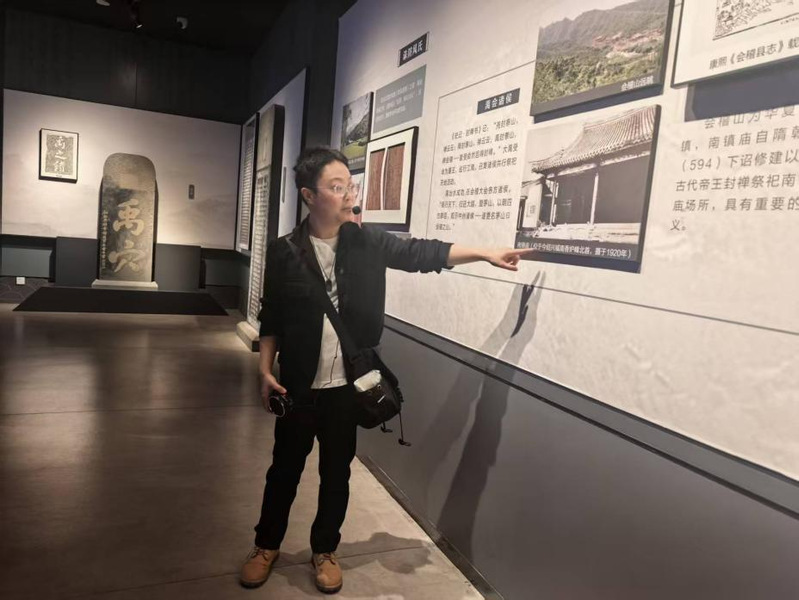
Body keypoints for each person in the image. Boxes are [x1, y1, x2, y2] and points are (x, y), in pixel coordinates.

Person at [240, 147, 531, 593]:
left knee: (336, 474)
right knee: (284, 470)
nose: (348, 194)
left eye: (350, 185)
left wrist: (485, 253)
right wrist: (265, 371)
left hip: (348, 388)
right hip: (297, 386)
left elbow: (422, 253)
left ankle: (325, 550)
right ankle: (266, 546)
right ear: (309, 195)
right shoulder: (284, 252)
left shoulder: (368, 244)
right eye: (336, 187)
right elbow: (272, 316)